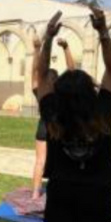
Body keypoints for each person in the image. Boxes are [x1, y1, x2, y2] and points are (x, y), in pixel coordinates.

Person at [33, 9, 111, 222]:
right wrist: (103, 31)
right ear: (90, 90)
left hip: (62, 188)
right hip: (98, 191)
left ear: (60, 93)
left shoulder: (52, 111)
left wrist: (47, 39)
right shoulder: (103, 109)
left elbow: (40, 75)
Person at [31, 36, 77, 200]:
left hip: (50, 129)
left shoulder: (47, 92)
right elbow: (71, 71)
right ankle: (38, 193)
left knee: (43, 161)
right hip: (51, 129)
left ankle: (38, 194)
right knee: (44, 161)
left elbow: (70, 71)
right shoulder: (50, 92)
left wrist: (38, 50)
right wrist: (65, 48)